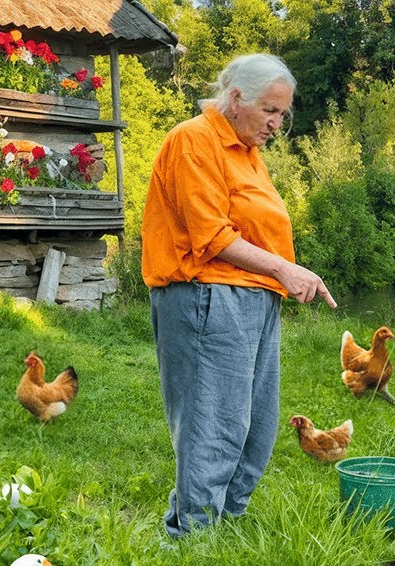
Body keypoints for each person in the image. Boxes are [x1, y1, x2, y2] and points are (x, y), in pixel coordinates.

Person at [142, 54, 336, 537]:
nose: (277, 123)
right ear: (235, 98)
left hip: (253, 299)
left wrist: (283, 274)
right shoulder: (193, 141)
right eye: (270, 110)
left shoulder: (246, 153)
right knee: (214, 427)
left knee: (256, 427)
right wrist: (285, 270)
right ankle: (192, 538)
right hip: (207, 297)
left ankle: (226, 528)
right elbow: (212, 236)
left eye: (282, 113)